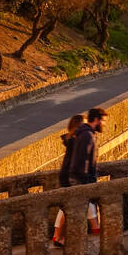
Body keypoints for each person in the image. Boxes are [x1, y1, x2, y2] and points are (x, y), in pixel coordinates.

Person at [67, 106, 107, 234]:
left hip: (79, 177)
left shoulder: (85, 133)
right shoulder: (87, 135)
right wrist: (87, 180)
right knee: (81, 207)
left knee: (71, 208)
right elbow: (82, 160)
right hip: (81, 179)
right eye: (103, 121)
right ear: (96, 119)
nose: (104, 124)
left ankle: (58, 235)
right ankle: (95, 229)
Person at [52, 113, 85, 247]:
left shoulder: (72, 139)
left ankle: (58, 235)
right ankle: (58, 235)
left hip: (67, 175)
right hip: (69, 176)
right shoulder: (75, 140)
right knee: (68, 206)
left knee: (66, 207)